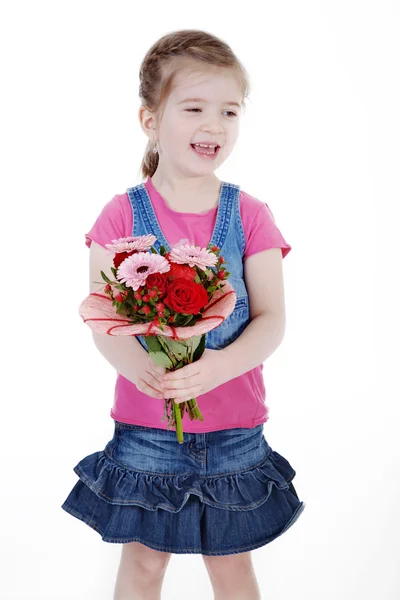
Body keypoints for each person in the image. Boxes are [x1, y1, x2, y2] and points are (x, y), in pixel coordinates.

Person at [61, 28, 306, 600]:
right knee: (145, 564)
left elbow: (272, 317)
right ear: (150, 119)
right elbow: (103, 316)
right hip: (148, 429)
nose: (214, 125)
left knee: (230, 566)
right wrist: (139, 369)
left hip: (234, 430)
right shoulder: (121, 215)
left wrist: (221, 365)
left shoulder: (250, 214)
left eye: (229, 110)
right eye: (194, 108)